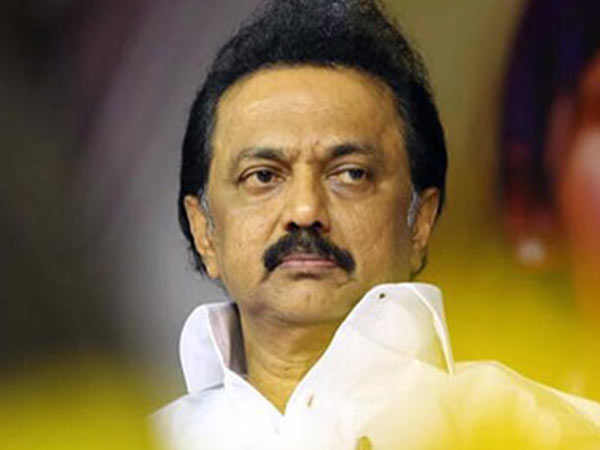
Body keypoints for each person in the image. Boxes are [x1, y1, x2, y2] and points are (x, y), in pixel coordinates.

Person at [153, 0, 600, 448]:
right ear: (204, 230)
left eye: (351, 174)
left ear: (420, 220)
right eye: (264, 177)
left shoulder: (553, 433)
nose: (305, 210)